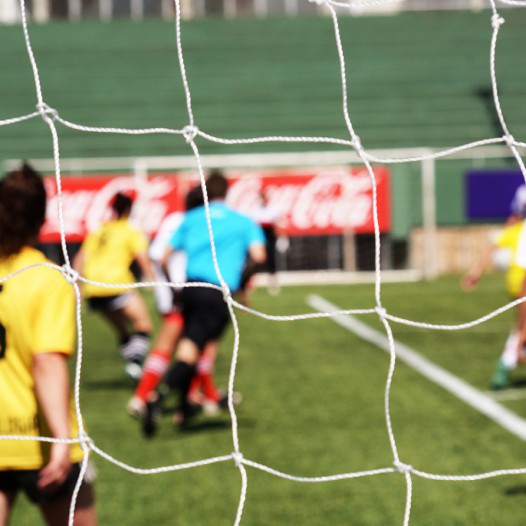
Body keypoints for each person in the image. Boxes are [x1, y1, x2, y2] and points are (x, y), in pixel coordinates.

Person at [0, 163, 97, 525]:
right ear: (42, 214)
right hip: (41, 441)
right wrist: (62, 439)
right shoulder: (47, 278)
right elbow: (47, 361)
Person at [142, 170, 266, 435]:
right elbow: (259, 255)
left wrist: (174, 290)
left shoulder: (191, 218)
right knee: (195, 350)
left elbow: (163, 257)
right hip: (217, 293)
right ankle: (160, 398)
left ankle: (184, 408)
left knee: (192, 347)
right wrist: (241, 282)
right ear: (227, 192)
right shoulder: (242, 221)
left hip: (190, 290)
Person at [127, 185, 227, 419]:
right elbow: (162, 257)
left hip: (173, 293)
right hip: (186, 293)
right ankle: (145, 397)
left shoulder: (175, 220)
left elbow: (156, 255)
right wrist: (176, 290)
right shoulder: (195, 223)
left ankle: (196, 398)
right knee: (191, 344)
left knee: (187, 346)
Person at [73, 191, 154, 381]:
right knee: (144, 325)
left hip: (94, 290)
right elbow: (142, 257)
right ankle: (134, 363)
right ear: (129, 210)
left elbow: (80, 258)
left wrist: (78, 286)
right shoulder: (130, 231)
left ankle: (132, 363)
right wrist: (152, 279)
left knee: (123, 330)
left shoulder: (99, 231)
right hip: (117, 285)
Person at [462, 217, 526, 389]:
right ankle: (507, 363)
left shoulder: (517, 229)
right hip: (522, 283)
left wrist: (476, 272)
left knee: (521, 327)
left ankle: (508, 362)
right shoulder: (517, 230)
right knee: (523, 328)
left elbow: (491, 247)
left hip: (515, 283)